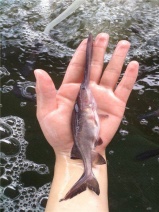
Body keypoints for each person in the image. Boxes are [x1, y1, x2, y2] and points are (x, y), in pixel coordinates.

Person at [34, 33, 139, 212]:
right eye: (84, 89)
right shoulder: (88, 108)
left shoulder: (88, 108)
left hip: (83, 145)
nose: (85, 88)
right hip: (86, 144)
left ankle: (85, 176)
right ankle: (87, 175)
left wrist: (66, 154)